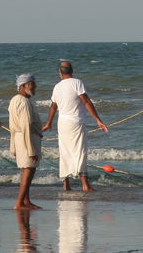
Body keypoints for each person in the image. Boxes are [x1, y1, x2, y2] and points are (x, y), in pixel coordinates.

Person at [42, 60, 109, 191]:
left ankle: (66, 184)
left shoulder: (57, 86)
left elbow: (53, 106)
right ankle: (85, 185)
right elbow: (86, 101)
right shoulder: (77, 82)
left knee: (64, 152)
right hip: (75, 122)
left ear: (60, 73)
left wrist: (49, 123)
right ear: (72, 71)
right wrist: (98, 119)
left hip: (62, 123)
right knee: (79, 151)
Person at [9, 73, 43, 210]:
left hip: (21, 138)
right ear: (23, 86)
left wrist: (13, 146)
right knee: (28, 170)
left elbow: (12, 127)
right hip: (26, 139)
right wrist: (31, 150)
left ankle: (26, 201)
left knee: (29, 170)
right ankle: (19, 202)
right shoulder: (22, 101)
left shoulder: (17, 100)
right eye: (32, 84)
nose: (35, 87)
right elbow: (26, 126)